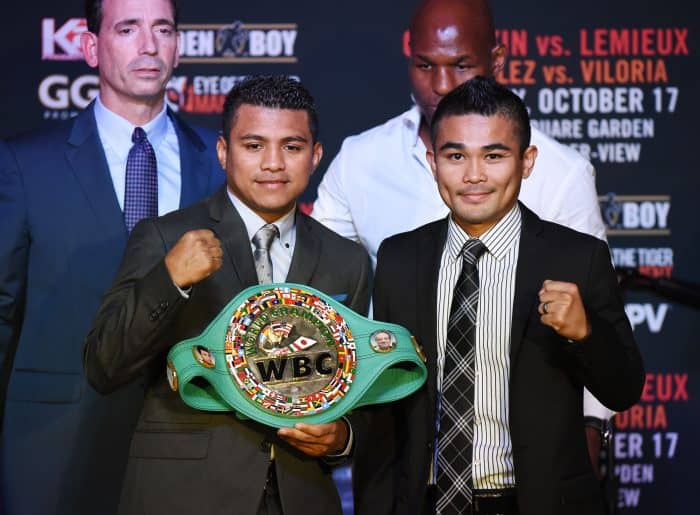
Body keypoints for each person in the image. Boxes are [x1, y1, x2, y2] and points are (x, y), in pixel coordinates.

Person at [312, 0, 612, 467]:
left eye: (461, 65)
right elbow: (316, 287)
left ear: (497, 60)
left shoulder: (563, 172)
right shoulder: (360, 161)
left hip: (522, 449)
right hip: (401, 441)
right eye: (425, 65)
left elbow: (591, 313)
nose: (441, 85)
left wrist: (591, 427)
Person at [352, 76, 644, 515]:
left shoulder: (576, 257)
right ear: (433, 162)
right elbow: (385, 415)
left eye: (494, 155)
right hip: (426, 502)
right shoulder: (399, 259)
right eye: (455, 156)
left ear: (526, 162)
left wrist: (585, 332)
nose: (473, 175)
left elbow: (623, 389)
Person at [83, 75, 371, 515]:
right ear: (223, 152)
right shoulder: (165, 237)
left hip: (302, 494)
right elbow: (104, 365)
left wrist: (342, 437)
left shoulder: (346, 260)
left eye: (292, 147)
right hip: (184, 494)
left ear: (315, 156)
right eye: (254, 145)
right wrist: (170, 280)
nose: (273, 163)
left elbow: (358, 389)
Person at [0, 0, 223, 514]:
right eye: (128, 28)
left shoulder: (220, 160)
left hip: (189, 442)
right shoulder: (25, 164)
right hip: (54, 446)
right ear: (89, 46)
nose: (149, 44)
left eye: (162, 28)